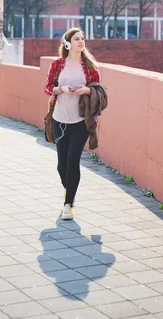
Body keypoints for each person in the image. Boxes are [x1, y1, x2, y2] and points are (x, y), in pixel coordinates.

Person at [44, 27, 101, 221]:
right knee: (61, 166)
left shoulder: (89, 66)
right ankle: (69, 188)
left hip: (80, 121)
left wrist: (86, 90)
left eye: (83, 38)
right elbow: (47, 87)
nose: (81, 42)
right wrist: (60, 89)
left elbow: (97, 88)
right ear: (67, 43)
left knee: (72, 160)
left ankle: (68, 203)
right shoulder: (58, 64)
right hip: (59, 120)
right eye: (77, 39)